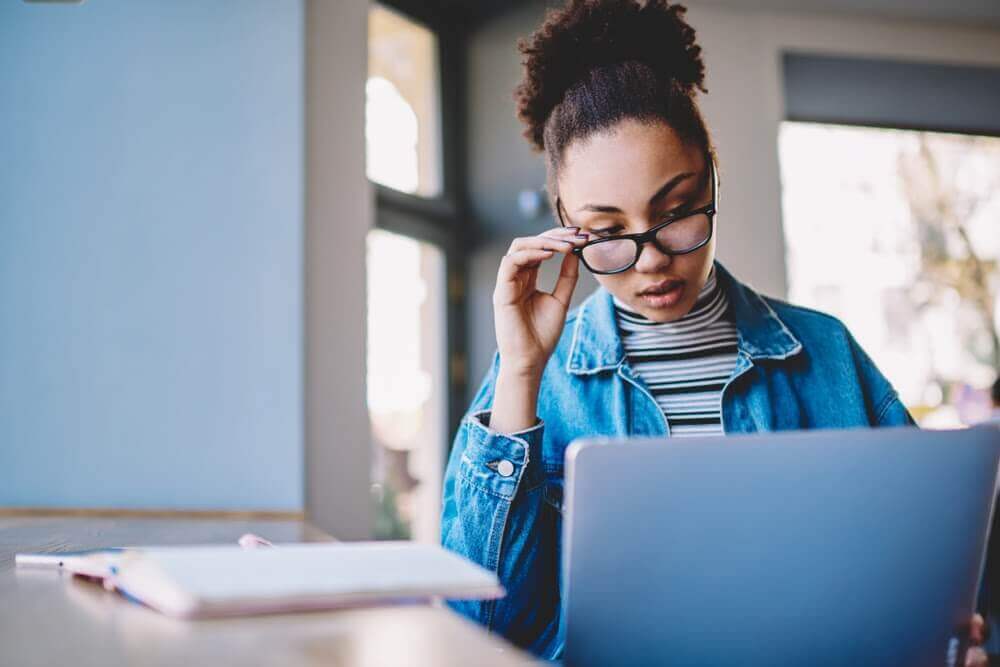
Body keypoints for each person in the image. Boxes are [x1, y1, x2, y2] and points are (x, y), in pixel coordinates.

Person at [439, 1, 988, 663]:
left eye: (675, 211)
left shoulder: (828, 354)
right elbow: (477, 631)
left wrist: (949, 636)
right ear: (564, 221)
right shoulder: (529, 384)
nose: (652, 259)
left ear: (713, 175)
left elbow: (925, 568)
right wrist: (522, 372)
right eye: (608, 233)